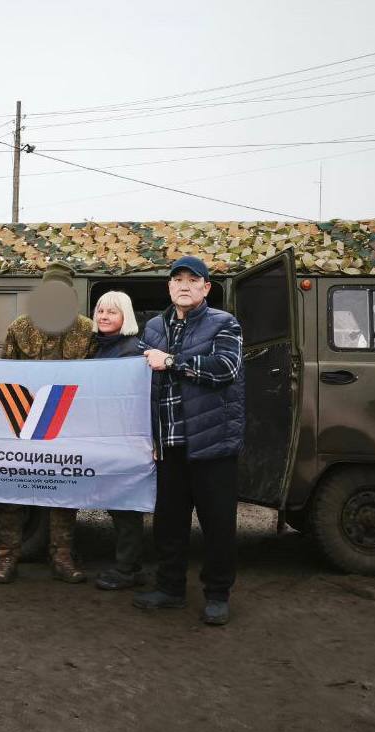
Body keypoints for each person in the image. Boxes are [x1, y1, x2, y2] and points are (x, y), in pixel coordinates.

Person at [133, 255, 244, 626]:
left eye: (193, 280)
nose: (184, 285)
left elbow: (226, 368)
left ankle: (217, 595)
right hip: (168, 444)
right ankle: (170, 589)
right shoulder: (153, 327)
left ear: (206, 288)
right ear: (169, 287)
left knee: (217, 524)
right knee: (169, 523)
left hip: (212, 444)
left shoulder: (224, 323)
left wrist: (172, 361)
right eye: (177, 279)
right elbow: (137, 380)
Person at [0, 261, 95, 584]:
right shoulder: (20, 327)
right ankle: (7, 556)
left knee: (64, 492)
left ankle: (61, 556)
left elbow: (97, 378)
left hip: (66, 421)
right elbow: (6, 375)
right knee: (14, 492)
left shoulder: (86, 329)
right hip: (25, 421)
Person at [87, 290, 147, 592]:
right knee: (119, 504)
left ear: (126, 316)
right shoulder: (102, 347)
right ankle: (130, 564)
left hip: (125, 438)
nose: (104, 316)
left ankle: (127, 569)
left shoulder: (131, 350)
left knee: (126, 506)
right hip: (107, 435)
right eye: (100, 311)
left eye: (112, 311)